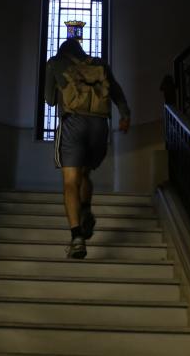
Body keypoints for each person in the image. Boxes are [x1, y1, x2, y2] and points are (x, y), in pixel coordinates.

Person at [44, 38, 131, 259]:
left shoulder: (55, 62)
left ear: (63, 51)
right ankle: (86, 209)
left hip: (73, 123)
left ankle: (76, 238)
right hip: (99, 125)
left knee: (70, 181)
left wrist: (60, 88)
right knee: (85, 173)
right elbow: (117, 91)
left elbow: (49, 100)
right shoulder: (99, 64)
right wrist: (125, 115)